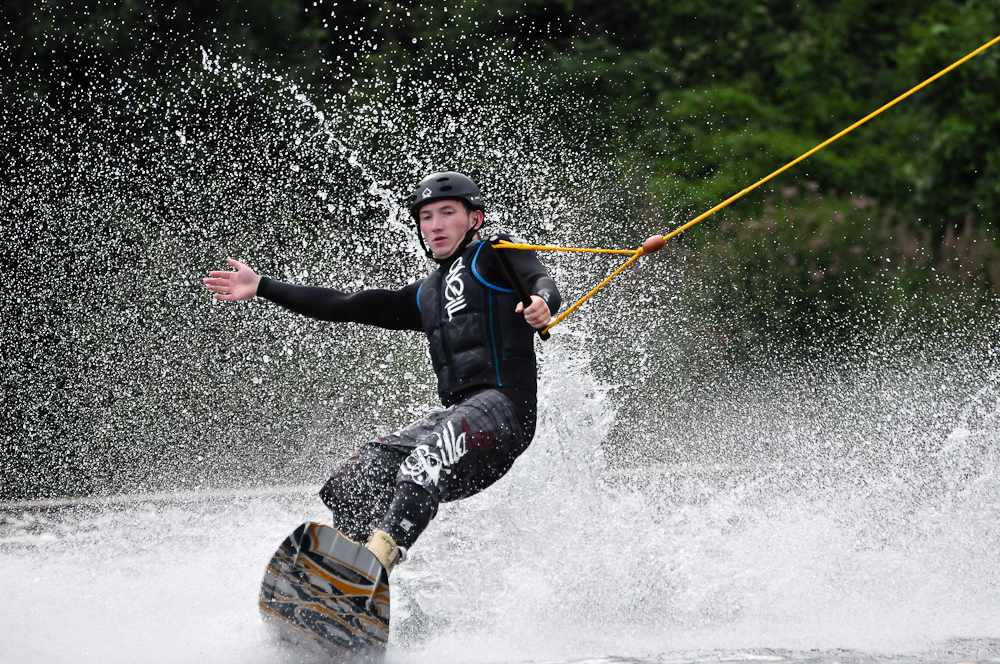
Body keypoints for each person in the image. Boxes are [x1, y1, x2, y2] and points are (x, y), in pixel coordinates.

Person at [204, 172, 561, 574]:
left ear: (474, 219)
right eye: (426, 217)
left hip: (505, 411)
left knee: (425, 459)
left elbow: (539, 281)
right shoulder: (426, 294)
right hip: (459, 418)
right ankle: (354, 589)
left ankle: (375, 564)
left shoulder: (496, 256)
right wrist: (263, 285)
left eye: (447, 213)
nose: (436, 225)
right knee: (357, 477)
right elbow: (346, 304)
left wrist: (542, 303)